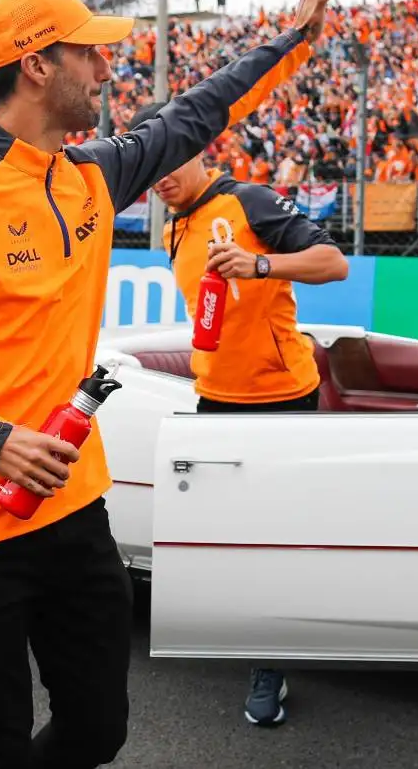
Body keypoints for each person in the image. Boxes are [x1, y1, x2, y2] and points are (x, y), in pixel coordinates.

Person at [0, 0, 332, 768]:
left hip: (75, 510)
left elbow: (196, 115)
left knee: (100, 729)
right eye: (89, 51)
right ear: (35, 66)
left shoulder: (91, 173)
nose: (105, 68)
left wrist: (293, 40)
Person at [129, 101, 347, 727]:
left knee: (270, 539)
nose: (162, 176)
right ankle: (241, 632)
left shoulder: (248, 201)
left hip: (282, 401)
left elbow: (333, 263)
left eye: (172, 158)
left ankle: (270, 662)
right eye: (151, 168)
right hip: (214, 402)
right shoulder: (176, 225)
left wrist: (260, 264)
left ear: (199, 148)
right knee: (219, 538)